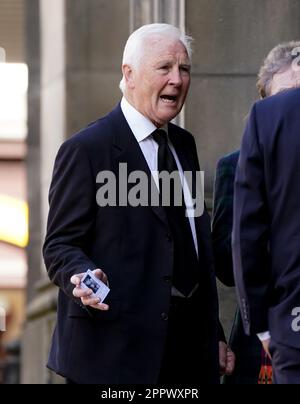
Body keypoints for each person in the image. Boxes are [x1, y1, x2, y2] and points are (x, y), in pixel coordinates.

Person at [43, 23, 233, 384]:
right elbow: (59, 245)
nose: (177, 80)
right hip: (113, 357)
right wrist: (82, 276)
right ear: (128, 74)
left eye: (184, 69)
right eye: (164, 68)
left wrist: (214, 335)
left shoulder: (183, 145)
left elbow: (196, 249)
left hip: (186, 356)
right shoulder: (87, 150)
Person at [212, 41, 300, 384]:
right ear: (265, 105)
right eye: (285, 97)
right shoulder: (234, 166)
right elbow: (224, 259)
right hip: (266, 330)